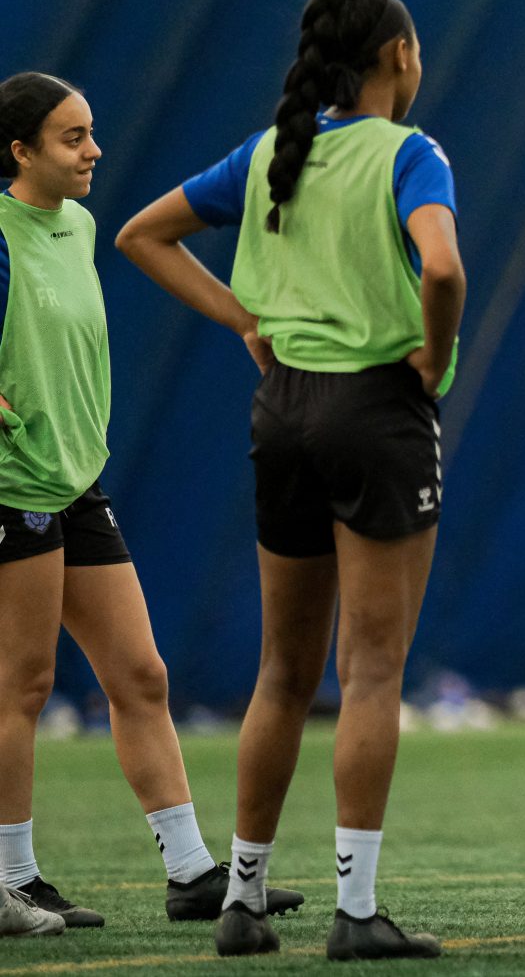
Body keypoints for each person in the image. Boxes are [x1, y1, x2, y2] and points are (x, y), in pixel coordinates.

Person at [118, 0, 462, 960]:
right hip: (376, 410)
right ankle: (357, 913)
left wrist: (250, 320)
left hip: (285, 412)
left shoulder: (274, 150)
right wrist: (434, 354)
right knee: (372, 670)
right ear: (398, 59)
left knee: (282, 672)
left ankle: (243, 898)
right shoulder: (411, 152)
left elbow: (144, 233)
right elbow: (440, 266)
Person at [0, 73, 303, 940]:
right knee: (22, 684)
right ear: (20, 152)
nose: (93, 149)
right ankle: (11, 879)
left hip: (74, 479)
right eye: (70, 137)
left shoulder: (82, 224)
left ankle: (190, 872)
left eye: (91, 131)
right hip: (11, 481)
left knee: (142, 675)